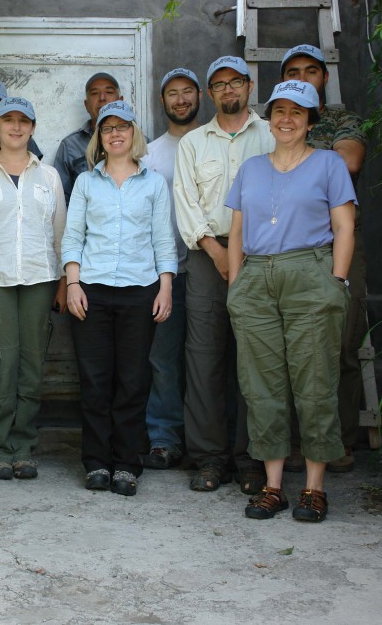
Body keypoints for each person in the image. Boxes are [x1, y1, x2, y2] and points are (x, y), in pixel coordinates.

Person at [225, 80, 356, 522]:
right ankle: (274, 486)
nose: (286, 119)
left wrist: (336, 281)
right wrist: (236, 288)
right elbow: (237, 231)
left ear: (310, 120)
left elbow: (345, 227)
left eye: (296, 112)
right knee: (262, 386)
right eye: (279, 110)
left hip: (310, 274)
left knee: (315, 383)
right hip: (257, 277)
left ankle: (315, 487)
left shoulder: (329, 164)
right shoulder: (252, 168)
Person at [62, 101, 177, 497]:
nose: (115, 134)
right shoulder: (86, 183)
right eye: (107, 128)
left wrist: (166, 286)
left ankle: (127, 464)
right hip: (91, 292)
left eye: (122, 127)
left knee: (132, 380)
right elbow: (72, 237)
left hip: (140, 291)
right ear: (99, 137)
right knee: (95, 381)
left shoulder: (154, 183)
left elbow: (163, 239)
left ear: (134, 134)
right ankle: (96, 463)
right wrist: (73, 284)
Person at [173, 56, 272, 495]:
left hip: (263, 256)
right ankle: (209, 457)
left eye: (235, 83)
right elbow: (186, 203)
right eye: (219, 85)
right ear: (209, 94)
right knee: (204, 358)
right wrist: (215, 250)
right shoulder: (194, 144)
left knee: (256, 359)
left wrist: (248, 250)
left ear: (249, 87)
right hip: (207, 256)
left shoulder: (272, 135)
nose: (228, 90)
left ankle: (252, 458)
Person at [0, 97, 66, 480]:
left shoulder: (49, 176)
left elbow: (60, 233)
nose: (16, 127)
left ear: (33, 128)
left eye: (24, 121)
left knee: (30, 366)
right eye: (8, 120)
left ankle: (23, 446)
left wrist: (61, 282)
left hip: (40, 280)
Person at [281, 44, 369, 474]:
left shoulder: (340, 120)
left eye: (310, 71)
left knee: (342, 346)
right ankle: (300, 442)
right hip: (289, 250)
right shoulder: (276, 122)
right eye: (293, 72)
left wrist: (298, 159)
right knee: (294, 350)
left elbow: (349, 160)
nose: (303, 77)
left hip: (340, 243)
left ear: (324, 78)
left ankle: (341, 442)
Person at [141, 67, 202, 470]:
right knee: (162, 359)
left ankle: (208, 440)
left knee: (207, 358)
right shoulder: (149, 152)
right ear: (161, 102)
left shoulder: (211, 142)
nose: (180, 99)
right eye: (172, 93)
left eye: (187, 92)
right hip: (165, 273)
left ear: (199, 97)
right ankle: (164, 437)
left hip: (209, 267)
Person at [53, 72, 122, 203]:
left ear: (121, 100)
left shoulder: (139, 142)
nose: (102, 98)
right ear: (86, 104)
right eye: (95, 93)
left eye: (109, 92)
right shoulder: (70, 145)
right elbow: (61, 200)